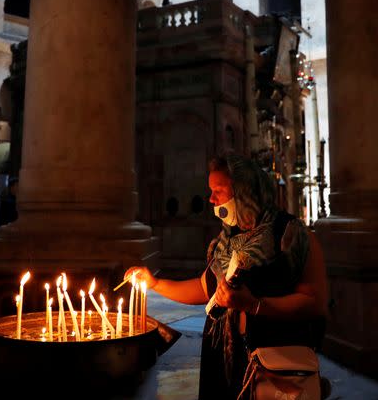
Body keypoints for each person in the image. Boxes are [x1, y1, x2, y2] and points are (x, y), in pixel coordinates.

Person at [126, 154, 328, 399]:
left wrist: (253, 305)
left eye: (219, 191)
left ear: (246, 191)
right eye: (210, 191)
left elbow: (314, 303)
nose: (211, 199)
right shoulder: (226, 241)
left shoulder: (291, 235)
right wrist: (154, 283)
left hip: (270, 363)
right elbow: (204, 289)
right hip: (222, 359)